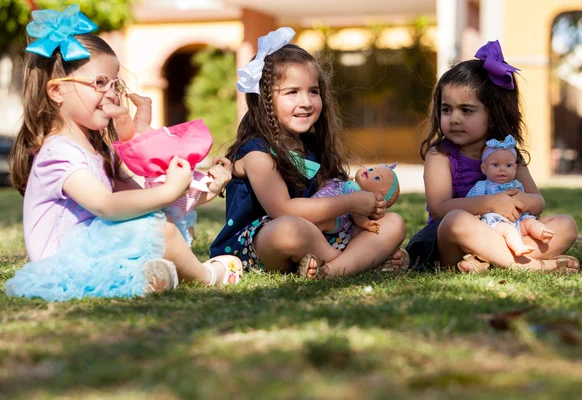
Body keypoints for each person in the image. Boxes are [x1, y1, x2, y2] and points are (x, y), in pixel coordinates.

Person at [5, 5, 242, 302]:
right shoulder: (58, 153)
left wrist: (205, 187)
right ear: (56, 91)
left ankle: (153, 276)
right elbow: (106, 204)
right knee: (160, 228)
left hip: (99, 249)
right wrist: (169, 191)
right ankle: (208, 275)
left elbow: (140, 194)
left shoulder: (97, 147)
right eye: (99, 83)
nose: (112, 93)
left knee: (156, 216)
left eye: (115, 84)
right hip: (64, 265)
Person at [210, 27, 406, 278]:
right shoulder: (257, 154)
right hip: (263, 245)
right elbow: (283, 210)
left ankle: (331, 270)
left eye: (313, 91)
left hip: (318, 240)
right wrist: (351, 202)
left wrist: (363, 210)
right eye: (292, 92)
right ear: (264, 100)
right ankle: (356, 262)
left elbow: (330, 197)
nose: (306, 101)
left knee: (393, 223)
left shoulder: (311, 146)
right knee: (291, 228)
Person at [405, 40, 579, 274]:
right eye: (447, 109)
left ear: (494, 113)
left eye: (466, 110)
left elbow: (537, 201)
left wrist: (521, 201)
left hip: (508, 232)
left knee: (566, 224)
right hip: (453, 244)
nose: (454, 118)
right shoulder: (441, 155)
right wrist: (492, 203)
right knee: (455, 220)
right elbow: (439, 209)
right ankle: (529, 266)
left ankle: (487, 262)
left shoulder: (508, 153)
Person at [108, 94, 220, 245]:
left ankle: (137, 109)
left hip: (166, 168)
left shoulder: (183, 213)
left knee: (135, 134)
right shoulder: (181, 215)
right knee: (130, 139)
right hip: (164, 169)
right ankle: (124, 115)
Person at [466, 135, 555, 256]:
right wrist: (473, 215)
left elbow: (527, 202)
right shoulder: (481, 186)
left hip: (518, 220)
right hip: (496, 223)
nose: (502, 170)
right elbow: (471, 202)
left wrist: (526, 203)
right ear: (484, 168)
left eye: (508, 166)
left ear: (515, 168)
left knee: (529, 223)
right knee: (508, 230)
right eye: (496, 165)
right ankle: (518, 248)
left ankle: (541, 233)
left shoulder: (517, 184)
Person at [311, 163, 400, 249]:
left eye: (377, 178)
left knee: (317, 225)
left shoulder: (362, 198)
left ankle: (313, 245)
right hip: (317, 206)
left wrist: (366, 223)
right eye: (371, 169)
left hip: (336, 218)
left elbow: (357, 215)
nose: (370, 172)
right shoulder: (348, 183)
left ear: (376, 196)